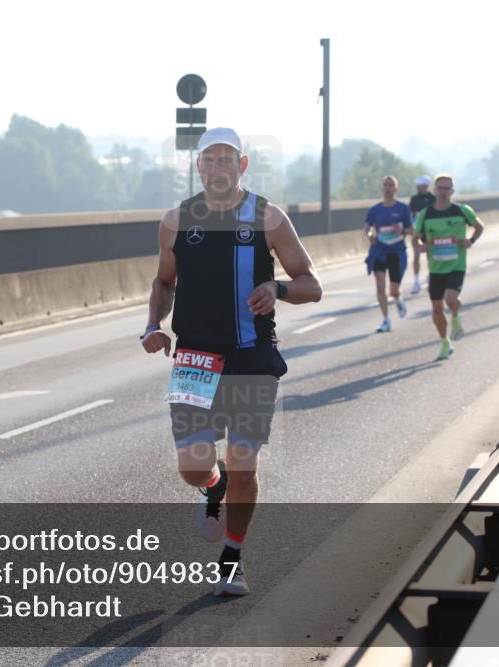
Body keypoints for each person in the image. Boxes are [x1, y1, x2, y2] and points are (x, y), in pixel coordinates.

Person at [141, 127, 322, 597]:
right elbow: (163, 282)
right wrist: (153, 323)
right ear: (197, 167)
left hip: (252, 357)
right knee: (193, 468)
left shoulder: (268, 217)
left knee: (245, 462)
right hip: (195, 358)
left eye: (227, 160)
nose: (218, 168)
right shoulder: (176, 220)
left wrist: (277, 289)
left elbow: (310, 283)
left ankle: (232, 560)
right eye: (209, 160)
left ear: (242, 166)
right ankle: (212, 486)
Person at [414, 174, 484, 361]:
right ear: (435, 190)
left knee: (450, 298)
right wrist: (423, 245)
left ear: (452, 191)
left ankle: (455, 315)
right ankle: (445, 341)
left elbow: (479, 226)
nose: (443, 192)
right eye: (440, 188)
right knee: (436, 310)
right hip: (436, 267)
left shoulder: (462, 211)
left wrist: (471, 240)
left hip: (456, 265)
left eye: (447, 188)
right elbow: (417, 236)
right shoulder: (426, 214)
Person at [364, 175, 414, 332]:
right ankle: (386, 320)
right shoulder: (375, 210)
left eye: (391, 185)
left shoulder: (403, 209)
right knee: (380, 287)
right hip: (379, 250)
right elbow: (367, 228)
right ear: (382, 188)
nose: (388, 188)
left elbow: (411, 230)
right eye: (385, 185)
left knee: (393, 290)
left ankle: (398, 298)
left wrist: (402, 231)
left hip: (396, 251)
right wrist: (370, 236)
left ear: (396, 189)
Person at [408, 175, 436, 296]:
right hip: (417, 230)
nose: (417, 186)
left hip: (430, 230)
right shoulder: (414, 199)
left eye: (419, 184)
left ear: (425, 186)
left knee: (430, 254)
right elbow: (410, 214)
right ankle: (416, 281)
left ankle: (430, 276)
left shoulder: (433, 199)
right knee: (416, 254)